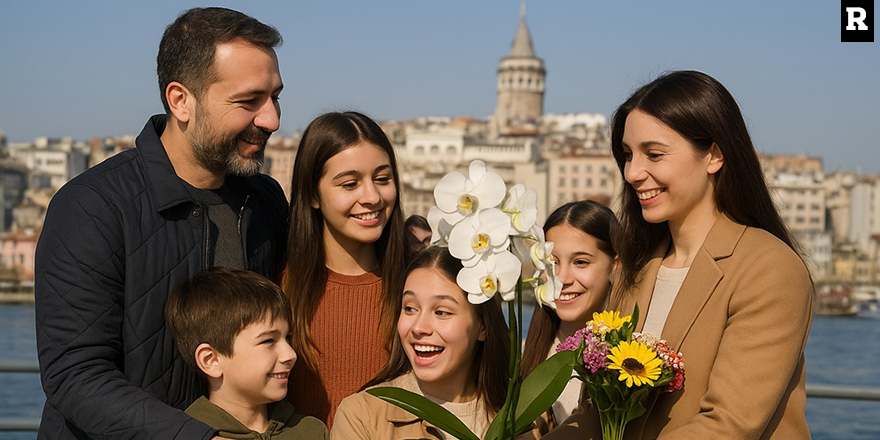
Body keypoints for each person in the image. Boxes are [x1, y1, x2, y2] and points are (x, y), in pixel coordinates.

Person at [34, 7, 288, 440]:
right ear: (180, 100)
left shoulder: (265, 201)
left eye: (275, 97)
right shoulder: (92, 206)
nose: (272, 120)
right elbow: (75, 375)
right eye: (249, 101)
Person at [547, 70, 813, 440]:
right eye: (627, 155)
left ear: (714, 156)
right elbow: (596, 414)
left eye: (653, 155)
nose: (633, 173)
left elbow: (729, 425)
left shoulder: (768, 268)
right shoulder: (636, 269)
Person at [284, 112, 407, 425]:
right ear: (312, 194)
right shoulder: (280, 287)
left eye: (383, 179)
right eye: (350, 184)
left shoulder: (416, 287)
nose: (372, 197)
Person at [331, 246, 510, 439]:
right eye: (409, 308)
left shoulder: (517, 415)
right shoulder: (362, 415)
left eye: (442, 312)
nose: (418, 327)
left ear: (482, 326)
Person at [166, 267, 328, 439]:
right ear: (211, 360)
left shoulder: (312, 431)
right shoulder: (187, 433)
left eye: (287, 338)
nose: (290, 354)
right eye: (268, 341)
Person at [520, 200, 616, 436]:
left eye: (580, 262)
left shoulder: (633, 358)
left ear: (616, 265)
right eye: (551, 264)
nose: (561, 278)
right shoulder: (520, 360)